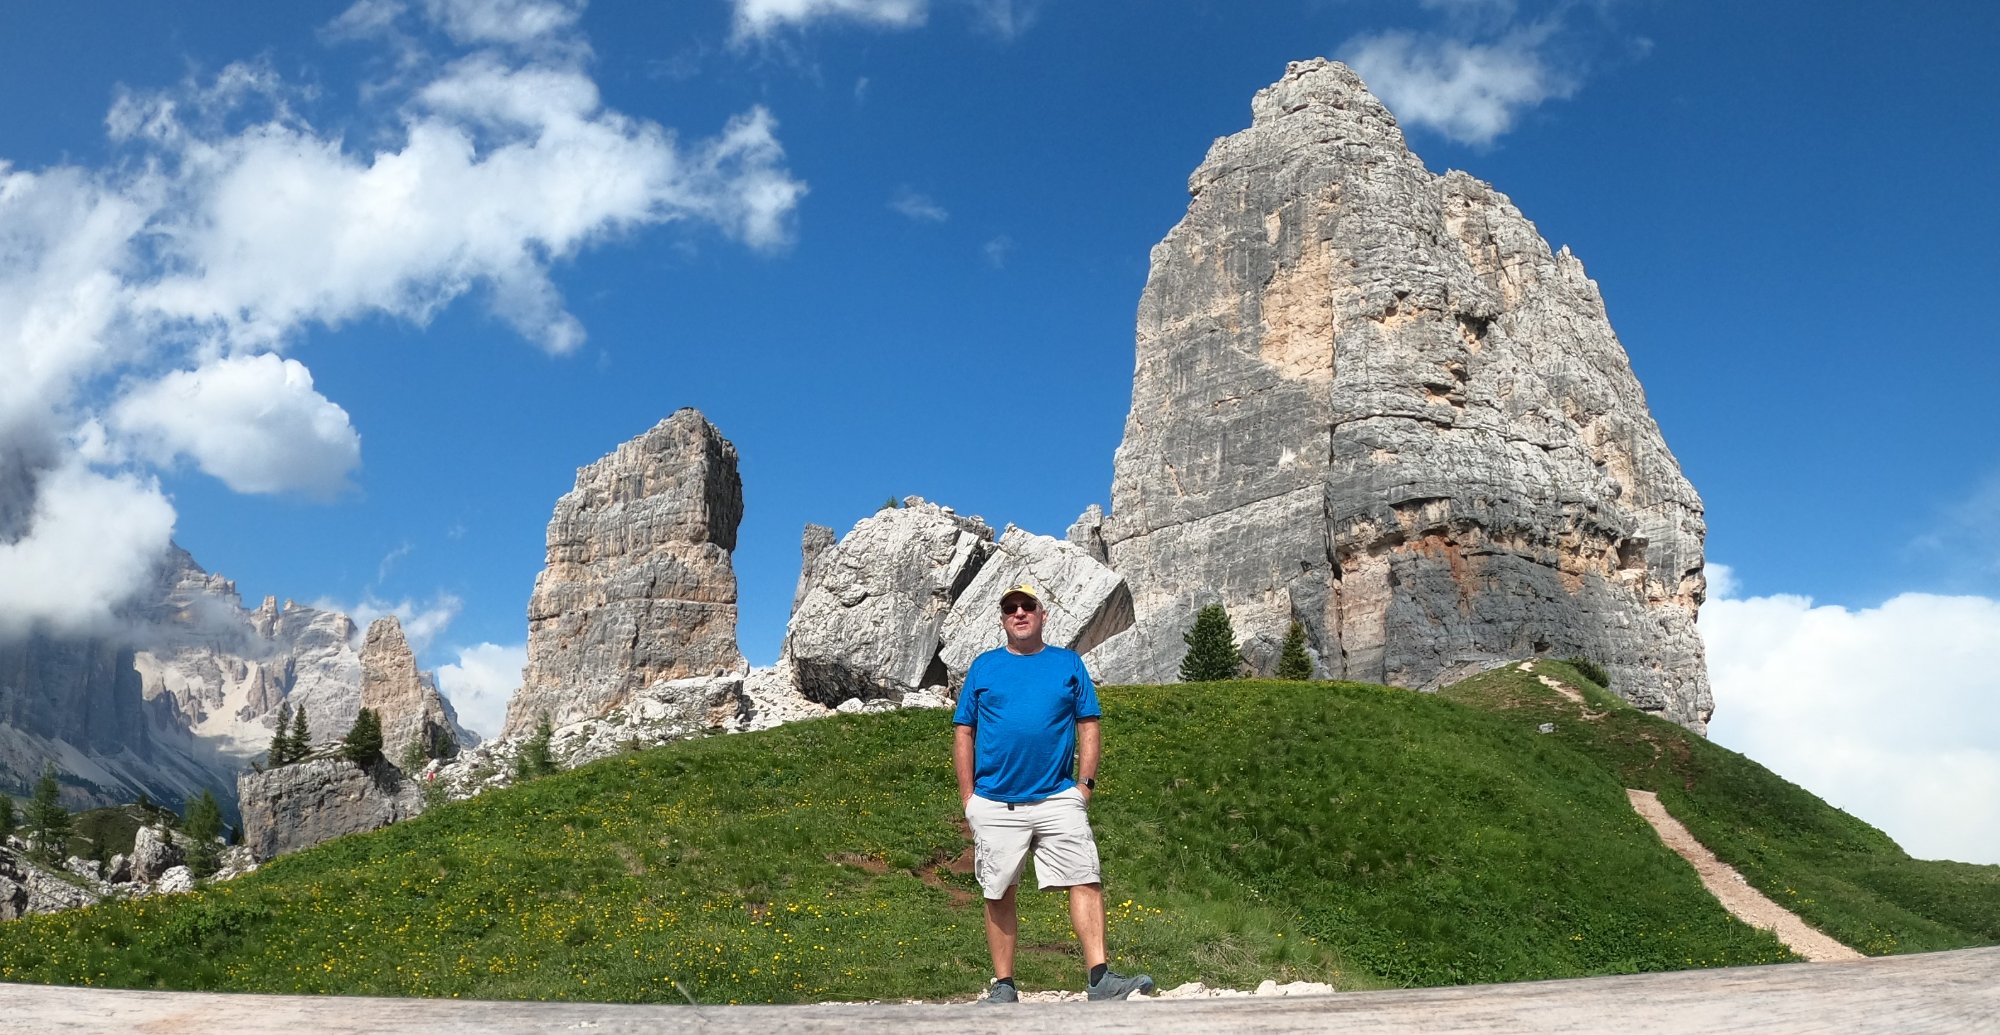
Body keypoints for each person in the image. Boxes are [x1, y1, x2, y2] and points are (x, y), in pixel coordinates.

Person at [952, 582, 1155, 1004]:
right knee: (998, 889)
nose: (1020, 613)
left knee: (1085, 877)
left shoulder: (1068, 664)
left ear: (1043, 615)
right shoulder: (984, 667)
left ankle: (1100, 978)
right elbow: (964, 731)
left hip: (1058, 797)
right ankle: (1004, 986)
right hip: (994, 800)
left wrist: (1085, 787)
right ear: (1003, 618)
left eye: (1028, 606)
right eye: (1011, 608)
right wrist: (969, 798)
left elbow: (1089, 724)